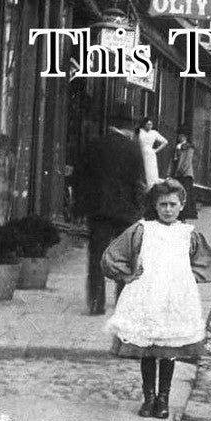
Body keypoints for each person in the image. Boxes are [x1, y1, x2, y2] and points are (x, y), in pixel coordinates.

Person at [101, 179, 211, 419]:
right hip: (147, 294)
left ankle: (164, 398)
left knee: (169, 348)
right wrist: (129, 274)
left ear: (182, 205)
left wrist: (186, 278)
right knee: (148, 348)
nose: (167, 209)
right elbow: (113, 256)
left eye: (173, 204)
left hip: (175, 298)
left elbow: (205, 263)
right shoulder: (143, 229)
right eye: (163, 204)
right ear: (155, 205)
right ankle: (149, 398)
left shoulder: (188, 234)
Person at [72, 104, 146, 315]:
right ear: (129, 126)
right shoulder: (133, 149)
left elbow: (80, 178)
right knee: (123, 256)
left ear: (111, 124)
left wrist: (80, 207)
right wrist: (140, 210)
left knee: (97, 255)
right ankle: (122, 301)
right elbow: (138, 181)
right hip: (125, 212)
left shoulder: (95, 144)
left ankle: (96, 303)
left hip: (99, 210)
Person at [169, 130, 197, 220]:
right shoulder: (177, 147)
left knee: (186, 192)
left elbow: (187, 160)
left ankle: (186, 213)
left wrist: (182, 170)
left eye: (182, 135)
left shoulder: (189, 147)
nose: (180, 137)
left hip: (185, 174)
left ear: (185, 137)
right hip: (177, 172)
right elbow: (173, 160)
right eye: (180, 135)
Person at [136, 116, 168, 191]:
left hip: (150, 154)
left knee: (150, 172)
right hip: (140, 152)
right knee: (141, 170)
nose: (149, 126)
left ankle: (150, 188)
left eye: (151, 124)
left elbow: (165, 142)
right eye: (148, 124)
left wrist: (156, 150)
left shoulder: (154, 133)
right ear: (144, 124)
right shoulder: (140, 131)